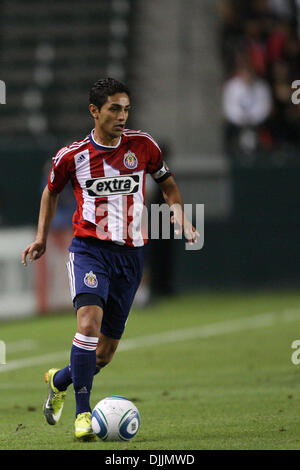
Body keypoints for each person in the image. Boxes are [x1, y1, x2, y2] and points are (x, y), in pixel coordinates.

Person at [22, 77, 199, 441]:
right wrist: (41, 237)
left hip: (131, 257)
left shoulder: (143, 146)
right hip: (90, 251)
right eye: (114, 109)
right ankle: (82, 415)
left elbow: (167, 182)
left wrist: (179, 215)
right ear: (95, 111)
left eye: (126, 109)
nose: (122, 116)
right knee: (87, 324)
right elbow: (50, 193)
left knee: (103, 354)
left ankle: (58, 381)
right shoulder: (72, 156)